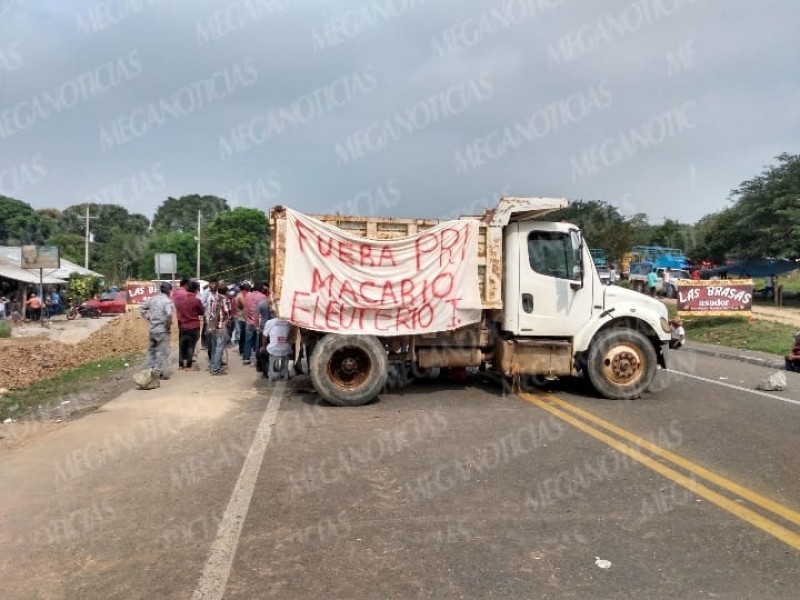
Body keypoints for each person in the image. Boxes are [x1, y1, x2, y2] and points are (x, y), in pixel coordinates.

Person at [139, 282, 174, 379]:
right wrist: (168, 325)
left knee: (152, 351)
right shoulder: (167, 301)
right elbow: (169, 314)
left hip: (152, 330)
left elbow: (141, 307)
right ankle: (160, 373)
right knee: (162, 352)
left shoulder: (153, 299)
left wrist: (148, 317)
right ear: (169, 291)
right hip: (162, 331)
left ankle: (148, 371)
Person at [175, 280, 205, 371]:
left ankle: (180, 364)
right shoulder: (197, 301)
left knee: (182, 345)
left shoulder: (180, 301)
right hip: (194, 326)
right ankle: (188, 365)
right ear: (196, 291)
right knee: (191, 345)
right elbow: (202, 312)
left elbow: (178, 312)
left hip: (183, 326)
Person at [207, 284, 231, 375]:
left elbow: (210, 312)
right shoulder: (225, 299)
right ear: (225, 291)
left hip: (213, 326)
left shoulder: (213, 298)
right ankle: (216, 369)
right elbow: (226, 312)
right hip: (221, 326)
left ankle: (213, 365)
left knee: (214, 347)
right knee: (219, 348)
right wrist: (228, 319)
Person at [262, 310, 292, 381]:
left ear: (273, 313)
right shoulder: (289, 322)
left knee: (260, 353)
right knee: (284, 353)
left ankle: (268, 373)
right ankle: (284, 372)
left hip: (273, 350)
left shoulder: (270, 322)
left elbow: (264, 336)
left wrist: (263, 347)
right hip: (287, 349)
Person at [242, 281, 266, 365]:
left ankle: (246, 358)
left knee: (248, 340)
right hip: (257, 322)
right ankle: (257, 359)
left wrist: (246, 319)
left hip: (248, 321)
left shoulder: (248, 295)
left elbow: (245, 309)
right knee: (257, 342)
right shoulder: (263, 297)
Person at [199, 279, 218, 353]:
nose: (213, 285)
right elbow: (202, 303)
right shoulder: (206, 292)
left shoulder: (217, 292)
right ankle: (209, 350)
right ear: (209, 284)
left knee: (215, 336)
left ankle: (215, 353)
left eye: (215, 284)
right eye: (212, 284)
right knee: (209, 334)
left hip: (217, 317)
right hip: (208, 316)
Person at [235, 282, 250, 355]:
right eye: (247, 290)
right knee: (243, 334)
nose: (248, 291)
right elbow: (245, 306)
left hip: (243, 317)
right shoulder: (240, 296)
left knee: (244, 334)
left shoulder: (242, 295)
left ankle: (242, 349)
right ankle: (242, 350)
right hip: (242, 318)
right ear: (244, 289)